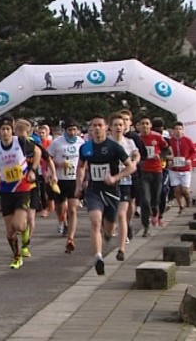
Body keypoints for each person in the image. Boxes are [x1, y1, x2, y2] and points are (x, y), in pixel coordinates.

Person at [76, 115, 135, 275]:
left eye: (99, 125)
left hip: (112, 191)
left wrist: (115, 177)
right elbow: (81, 167)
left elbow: (131, 167)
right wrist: (79, 185)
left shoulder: (114, 147)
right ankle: (98, 257)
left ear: (105, 127)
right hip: (94, 190)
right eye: (93, 125)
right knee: (95, 221)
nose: (96, 128)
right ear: (90, 129)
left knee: (109, 226)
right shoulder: (85, 147)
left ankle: (108, 234)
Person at [0, 115, 40, 269]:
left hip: (22, 187)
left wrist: (32, 170)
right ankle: (17, 256)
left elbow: (37, 152)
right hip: (6, 189)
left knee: (18, 224)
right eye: (2, 129)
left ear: (12, 131)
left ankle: (25, 235)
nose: (5, 132)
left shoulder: (21, 142)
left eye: (7, 129)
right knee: (10, 231)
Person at [15, 118, 57, 258]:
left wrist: (53, 174)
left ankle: (26, 244)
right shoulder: (11, 145)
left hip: (31, 185)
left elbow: (49, 159)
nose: (21, 135)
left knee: (31, 216)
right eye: (19, 132)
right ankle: (22, 241)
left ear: (29, 132)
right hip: (14, 186)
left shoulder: (34, 146)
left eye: (24, 132)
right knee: (20, 218)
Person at [47, 118, 84, 254]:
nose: (72, 132)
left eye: (75, 129)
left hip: (73, 179)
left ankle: (71, 237)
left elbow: (84, 160)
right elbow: (48, 158)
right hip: (60, 178)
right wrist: (58, 165)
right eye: (70, 130)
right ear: (65, 130)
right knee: (60, 207)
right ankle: (62, 222)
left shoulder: (81, 142)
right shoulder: (57, 143)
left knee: (72, 209)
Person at [109, 113, 140, 260]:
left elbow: (137, 154)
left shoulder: (129, 142)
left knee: (121, 214)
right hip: (108, 183)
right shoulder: (105, 143)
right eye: (115, 125)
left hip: (125, 181)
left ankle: (121, 248)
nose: (118, 127)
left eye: (120, 125)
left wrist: (133, 163)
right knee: (108, 216)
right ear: (110, 127)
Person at [139, 116, 170, 235]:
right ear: (139, 126)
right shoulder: (138, 138)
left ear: (150, 126)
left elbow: (166, 149)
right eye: (142, 123)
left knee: (156, 197)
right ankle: (146, 227)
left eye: (147, 123)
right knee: (144, 200)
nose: (145, 126)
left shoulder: (157, 137)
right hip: (143, 171)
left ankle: (156, 210)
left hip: (157, 171)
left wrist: (160, 156)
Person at [118, 109, 147, 241]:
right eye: (121, 120)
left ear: (130, 122)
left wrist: (133, 163)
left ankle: (127, 224)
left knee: (130, 201)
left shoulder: (134, 137)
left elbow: (142, 154)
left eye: (126, 120)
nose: (123, 122)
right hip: (116, 174)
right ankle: (120, 224)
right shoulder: (112, 136)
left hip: (132, 175)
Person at [167, 122, 195, 213]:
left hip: (185, 168)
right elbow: (165, 153)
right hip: (174, 169)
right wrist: (169, 160)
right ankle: (181, 206)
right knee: (177, 189)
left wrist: (189, 159)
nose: (178, 131)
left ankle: (188, 199)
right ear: (173, 130)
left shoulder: (187, 140)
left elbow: (193, 152)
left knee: (185, 189)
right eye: (176, 129)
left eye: (180, 129)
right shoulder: (170, 141)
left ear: (182, 130)